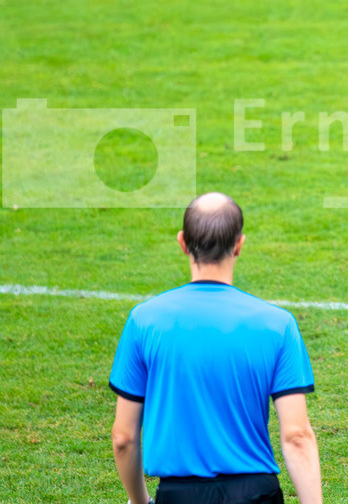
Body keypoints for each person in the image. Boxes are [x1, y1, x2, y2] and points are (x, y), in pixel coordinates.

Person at [109, 192, 322, 503]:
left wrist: (140, 502)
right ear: (239, 244)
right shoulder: (277, 324)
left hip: (178, 495)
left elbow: (124, 438)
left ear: (182, 243)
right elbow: (297, 436)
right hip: (257, 494)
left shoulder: (144, 321)